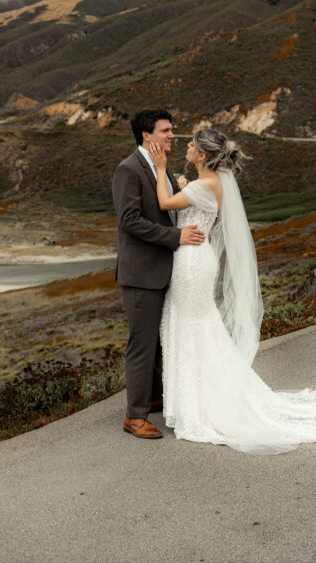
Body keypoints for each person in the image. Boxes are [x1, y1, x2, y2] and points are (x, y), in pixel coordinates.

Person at [147, 127, 316, 454]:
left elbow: (164, 202)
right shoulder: (209, 183)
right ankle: (195, 399)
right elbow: (192, 203)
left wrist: (161, 169)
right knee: (197, 326)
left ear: (201, 156)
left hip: (191, 263)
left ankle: (196, 405)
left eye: (191, 144)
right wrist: (185, 187)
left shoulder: (206, 184)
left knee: (191, 326)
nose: (186, 146)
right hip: (195, 258)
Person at [112, 109, 205, 439]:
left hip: (166, 270)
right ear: (146, 136)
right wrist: (176, 237)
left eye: (171, 130)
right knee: (141, 345)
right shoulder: (128, 169)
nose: (172, 136)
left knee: (159, 343)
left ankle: (153, 398)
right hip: (141, 273)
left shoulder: (162, 169)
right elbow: (130, 221)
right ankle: (134, 417)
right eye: (165, 131)